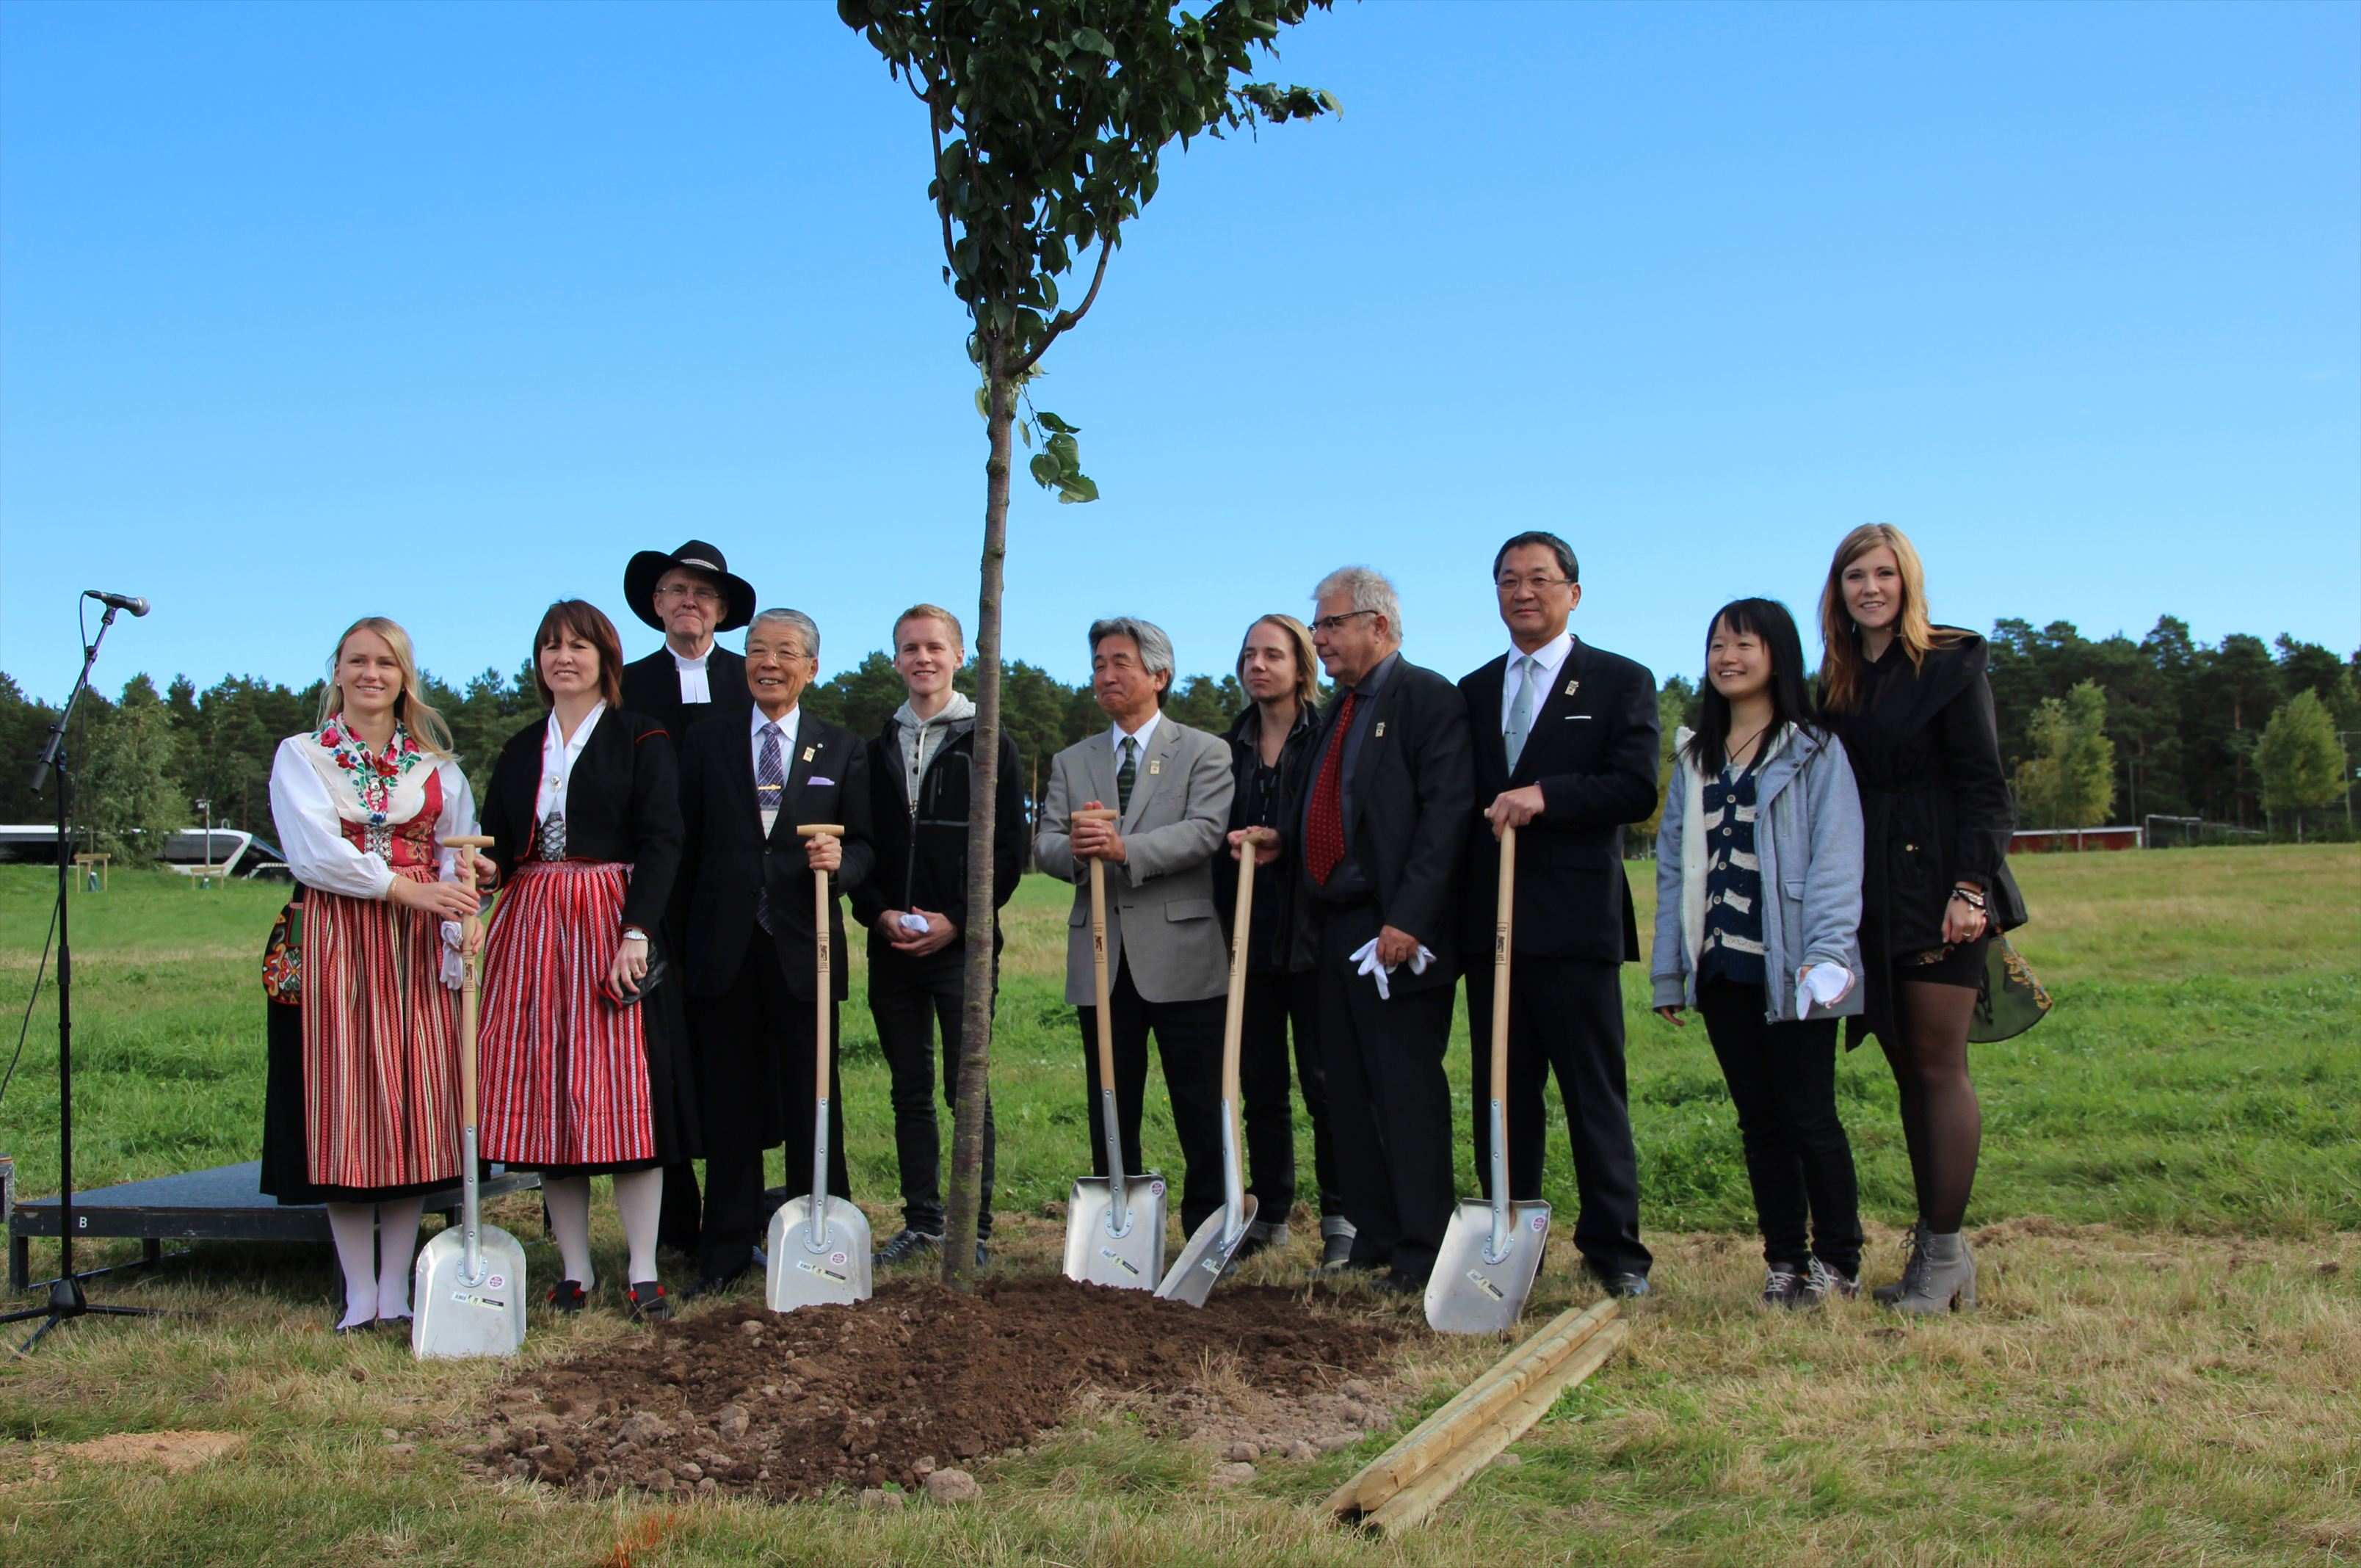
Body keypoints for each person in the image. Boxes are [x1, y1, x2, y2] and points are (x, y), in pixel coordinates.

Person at [1238, 568, 1472, 1295]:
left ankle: (1423, 1247)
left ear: (1378, 624)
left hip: (1396, 929)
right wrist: (1285, 840)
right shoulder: (1339, 712)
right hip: (1331, 930)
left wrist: (1409, 917)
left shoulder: (1425, 699)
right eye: (1319, 626)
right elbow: (1329, 805)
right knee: (1345, 1091)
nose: (1321, 639)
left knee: (1403, 1091)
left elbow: (1445, 816)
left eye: (1331, 625)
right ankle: (1371, 1236)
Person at [1817, 523, 2024, 1313]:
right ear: (1837, 592)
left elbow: (1986, 786)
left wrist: (1972, 888)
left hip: (1943, 888)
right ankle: (1945, 1256)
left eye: (1883, 575)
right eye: (1854, 577)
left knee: (1940, 1068)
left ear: (1907, 581)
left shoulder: (1950, 662)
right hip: (1872, 897)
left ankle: (1939, 1257)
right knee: (1907, 1070)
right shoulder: (1838, 678)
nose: (1869, 589)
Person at [475, 600, 694, 1322]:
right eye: (549, 646)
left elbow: (664, 841)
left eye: (577, 645)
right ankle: (574, 1270)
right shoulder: (518, 749)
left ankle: (641, 1268)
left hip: (610, 924)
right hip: (533, 929)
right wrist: (477, 887)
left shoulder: (642, 737)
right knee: (548, 1100)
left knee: (629, 1103)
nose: (562, 657)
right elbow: (498, 847)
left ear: (606, 658)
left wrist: (637, 931)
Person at [1457, 532, 1660, 1298]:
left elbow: (1635, 788)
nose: (1523, 593)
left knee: (1592, 1093)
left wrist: (1549, 795)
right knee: (1502, 1093)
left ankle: (1615, 1250)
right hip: (1492, 929)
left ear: (1574, 592)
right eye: (1508, 580)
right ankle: (1511, 1241)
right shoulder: (1472, 692)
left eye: (1540, 579)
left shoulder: (1617, 681)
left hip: (1576, 925)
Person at [267, 616, 484, 1334]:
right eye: (357, 661)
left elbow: (459, 854)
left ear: (403, 677)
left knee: (413, 1109)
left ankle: (397, 1287)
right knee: (348, 1104)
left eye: (385, 664)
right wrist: (402, 888)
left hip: (420, 946)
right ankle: (358, 1290)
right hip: (341, 938)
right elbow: (313, 854)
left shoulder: (436, 766)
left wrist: (461, 910)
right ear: (337, 672)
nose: (370, 674)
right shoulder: (302, 756)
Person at [1651, 598, 1867, 1307]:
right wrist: (1671, 972)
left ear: (1777, 654)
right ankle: (1785, 1260)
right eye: (1717, 645)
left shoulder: (1813, 749)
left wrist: (1828, 956)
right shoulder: (1696, 757)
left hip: (1796, 967)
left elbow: (1837, 859)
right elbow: (1675, 870)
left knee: (1811, 1116)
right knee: (1759, 1122)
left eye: (1743, 644)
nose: (1727, 658)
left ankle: (1839, 1262)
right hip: (1723, 969)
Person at [675, 609, 874, 1296]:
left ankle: (827, 1237)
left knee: (813, 1097)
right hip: (724, 950)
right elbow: (685, 845)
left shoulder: (841, 748)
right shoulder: (706, 743)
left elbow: (870, 847)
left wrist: (841, 864)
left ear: (811, 667)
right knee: (728, 1103)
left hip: (805, 949)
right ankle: (725, 1249)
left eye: (785, 652)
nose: (768, 662)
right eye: (757, 650)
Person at [1034, 617, 1236, 1244]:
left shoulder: (1206, 750)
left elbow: (1207, 830)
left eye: (1120, 662)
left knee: (1200, 1101)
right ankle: (1116, 1220)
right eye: (1098, 664)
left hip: (1184, 954)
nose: (1105, 675)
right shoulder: (1073, 760)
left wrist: (1125, 849)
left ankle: (1210, 1222)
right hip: (1100, 953)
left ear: (1159, 675)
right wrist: (1077, 850)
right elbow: (1043, 842)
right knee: (1109, 1097)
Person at [846, 603, 1028, 1270]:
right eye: (908, 648)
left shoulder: (989, 742)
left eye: (934, 647)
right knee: (909, 1089)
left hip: (964, 948)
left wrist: (959, 918)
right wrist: (877, 913)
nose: (922, 658)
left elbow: (1009, 849)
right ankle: (922, 1220)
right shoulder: (872, 752)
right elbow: (862, 846)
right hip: (892, 945)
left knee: (966, 1085)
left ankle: (971, 1229)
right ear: (895, 660)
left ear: (959, 657)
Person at [618, 538, 758, 1260]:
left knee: (734, 1056)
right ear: (655, 605)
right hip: (653, 897)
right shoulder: (628, 685)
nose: (689, 603)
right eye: (675, 590)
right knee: (657, 1055)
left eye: (703, 594)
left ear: (723, 610)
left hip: (735, 895)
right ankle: (673, 1223)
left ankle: (743, 1219)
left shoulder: (753, 678)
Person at [1211, 613, 1348, 1268]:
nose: (1258, 666)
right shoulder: (1227, 746)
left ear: (1302, 667)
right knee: (1259, 1078)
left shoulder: (1329, 735)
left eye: (1273, 654)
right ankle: (1268, 1208)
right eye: (1248, 655)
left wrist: (1285, 842)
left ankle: (1343, 1215)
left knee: (1325, 1080)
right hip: (1246, 933)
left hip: (1315, 932)